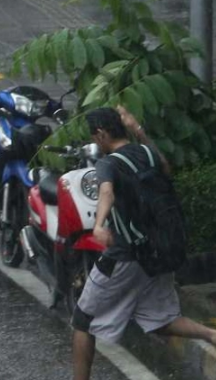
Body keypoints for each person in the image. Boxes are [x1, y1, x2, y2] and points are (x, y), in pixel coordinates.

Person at [72, 106, 216, 380]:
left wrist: (99, 224)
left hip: (126, 256)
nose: (95, 142)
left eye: (94, 137)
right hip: (158, 251)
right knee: (160, 321)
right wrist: (139, 130)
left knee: (82, 322)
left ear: (101, 134)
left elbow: (105, 191)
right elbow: (166, 168)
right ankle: (211, 334)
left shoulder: (108, 163)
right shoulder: (147, 151)